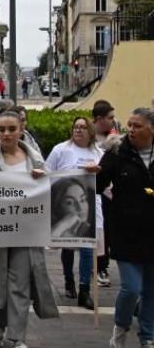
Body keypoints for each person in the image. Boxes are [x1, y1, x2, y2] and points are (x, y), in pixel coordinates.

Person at [0, 110, 58, 348]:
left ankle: (16, 337)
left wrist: (43, 178)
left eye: (11, 129)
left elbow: (50, 189)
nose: (6, 134)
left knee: (20, 285)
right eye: (1, 130)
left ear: (21, 130)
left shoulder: (35, 159)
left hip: (26, 233)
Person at [97, 108, 154, 348]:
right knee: (131, 288)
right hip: (125, 232)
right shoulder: (117, 152)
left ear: (152, 129)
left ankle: (148, 336)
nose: (131, 130)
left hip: (152, 234)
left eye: (138, 126)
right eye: (129, 125)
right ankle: (120, 328)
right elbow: (98, 184)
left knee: (150, 291)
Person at [45, 117, 102, 310]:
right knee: (68, 246)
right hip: (65, 207)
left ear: (90, 131)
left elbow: (106, 179)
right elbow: (47, 171)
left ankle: (84, 289)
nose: (78, 130)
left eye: (83, 127)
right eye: (76, 127)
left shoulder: (97, 152)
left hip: (89, 209)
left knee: (87, 248)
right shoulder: (61, 150)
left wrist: (98, 171)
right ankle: (69, 280)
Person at [92, 100, 118, 288]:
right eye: (110, 118)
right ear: (99, 119)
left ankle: (103, 265)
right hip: (94, 192)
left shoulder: (115, 139)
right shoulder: (90, 139)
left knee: (106, 230)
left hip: (110, 195)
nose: (113, 121)